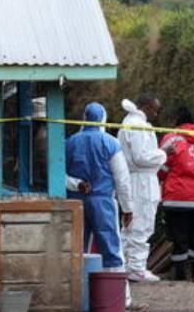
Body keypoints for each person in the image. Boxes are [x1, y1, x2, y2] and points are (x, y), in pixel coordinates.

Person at [66, 102, 134, 276]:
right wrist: (127, 208)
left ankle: (80, 294)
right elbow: (122, 179)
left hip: (75, 201)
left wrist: (77, 185)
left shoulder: (70, 142)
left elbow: (57, 174)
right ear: (103, 119)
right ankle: (119, 297)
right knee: (111, 247)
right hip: (103, 202)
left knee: (76, 247)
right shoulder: (110, 143)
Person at [159, 106, 194, 283]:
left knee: (179, 236)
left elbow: (161, 166)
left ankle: (181, 275)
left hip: (177, 197)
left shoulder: (171, 139)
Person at [119, 94, 167, 282]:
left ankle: (123, 265)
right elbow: (141, 157)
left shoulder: (129, 123)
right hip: (142, 182)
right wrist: (163, 153)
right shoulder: (137, 126)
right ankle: (136, 267)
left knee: (130, 225)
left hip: (137, 179)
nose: (156, 113)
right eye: (156, 109)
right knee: (142, 224)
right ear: (147, 107)